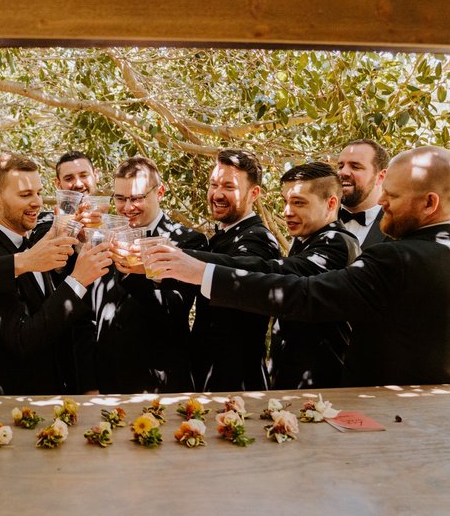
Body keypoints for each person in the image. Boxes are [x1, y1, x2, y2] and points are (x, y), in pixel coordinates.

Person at [147, 146, 450, 393]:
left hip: (388, 419)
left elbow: (305, 295)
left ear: (430, 202)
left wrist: (200, 272)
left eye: (394, 196)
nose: (382, 201)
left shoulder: (394, 259)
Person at [178, 162, 360, 389]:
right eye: (285, 201)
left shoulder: (337, 243)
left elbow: (274, 273)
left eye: (299, 203)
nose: (287, 211)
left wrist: (190, 263)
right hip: (290, 381)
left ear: (331, 203)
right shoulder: (307, 240)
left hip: (322, 386)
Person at [0, 153, 114, 395]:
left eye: (39, 193)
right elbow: (22, 338)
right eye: (25, 195)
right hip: (7, 408)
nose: (36, 202)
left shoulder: (30, 245)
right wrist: (78, 280)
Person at [102, 157, 206, 393]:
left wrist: (136, 273)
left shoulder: (189, 241)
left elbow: (177, 308)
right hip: (107, 380)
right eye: (120, 198)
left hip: (160, 381)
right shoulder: (107, 236)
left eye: (137, 198)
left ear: (159, 192)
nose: (128, 207)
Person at [188, 149, 281, 392]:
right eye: (213, 184)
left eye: (228, 187)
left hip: (235, 381)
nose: (217, 194)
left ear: (254, 193)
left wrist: (176, 258)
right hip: (207, 375)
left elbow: (238, 281)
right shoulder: (225, 234)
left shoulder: (258, 239)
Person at [337, 139, 390, 248]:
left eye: (355, 166)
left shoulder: (399, 225)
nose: (343, 172)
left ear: (381, 177)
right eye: (340, 166)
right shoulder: (319, 218)